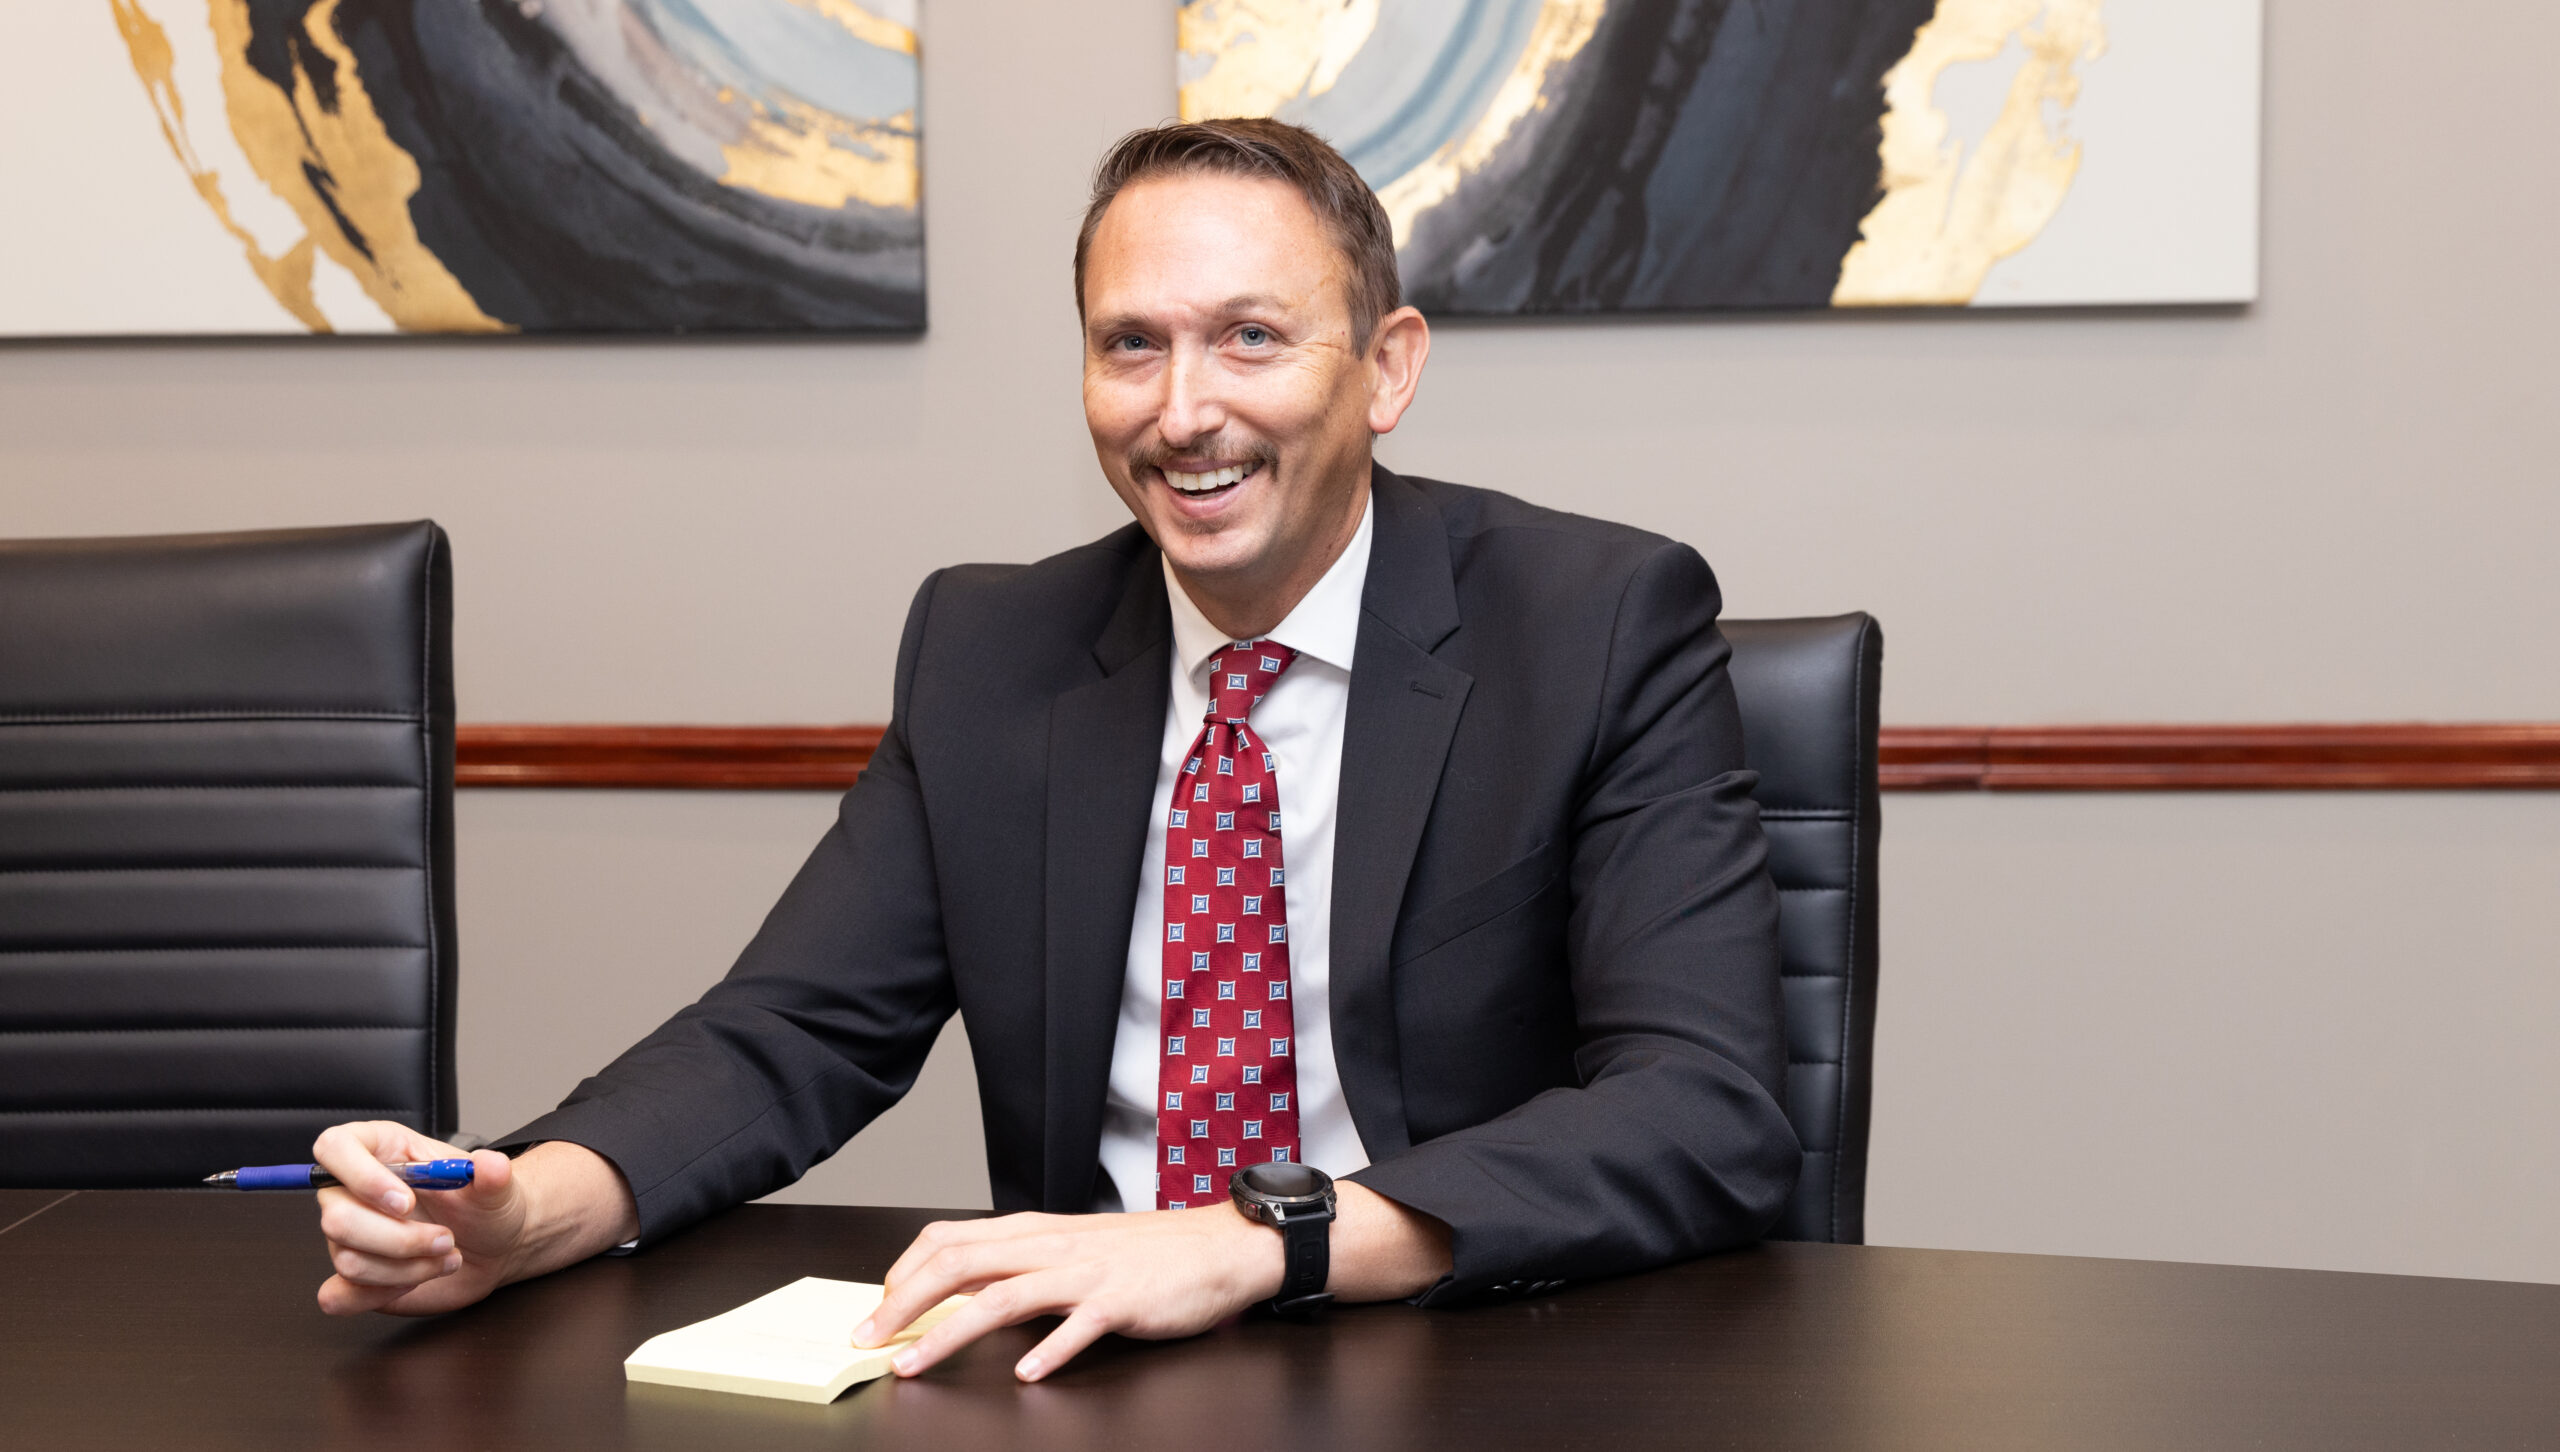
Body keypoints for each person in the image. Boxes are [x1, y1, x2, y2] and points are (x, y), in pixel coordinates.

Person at [310, 119, 1799, 1382]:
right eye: (1130, 346)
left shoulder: (1598, 624)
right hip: (1083, 1372)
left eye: (1252, 338)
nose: (1184, 413)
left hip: (1464, 1361)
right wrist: (526, 1211)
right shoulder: (992, 652)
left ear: (1387, 369)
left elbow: (1702, 1107)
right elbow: (791, 1032)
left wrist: (1257, 1239)